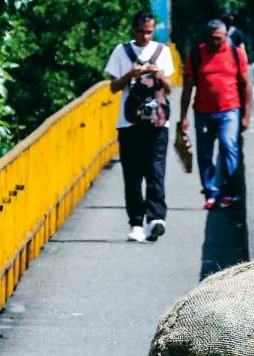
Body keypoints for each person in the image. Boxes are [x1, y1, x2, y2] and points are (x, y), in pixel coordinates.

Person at [104, 11, 174, 243]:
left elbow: (170, 87)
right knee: (132, 174)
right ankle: (136, 223)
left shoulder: (162, 51)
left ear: (154, 30)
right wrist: (130, 74)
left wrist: (158, 73)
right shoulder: (121, 51)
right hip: (129, 122)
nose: (145, 36)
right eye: (141, 31)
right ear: (133, 30)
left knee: (156, 171)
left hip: (158, 121)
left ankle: (155, 219)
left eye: (149, 31)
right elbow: (113, 87)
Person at [179, 19, 251, 209]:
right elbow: (187, 88)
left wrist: (246, 115)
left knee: (228, 146)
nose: (216, 42)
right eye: (213, 39)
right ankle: (210, 192)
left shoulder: (235, 53)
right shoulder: (196, 54)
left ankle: (228, 191)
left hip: (229, 110)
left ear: (226, 36)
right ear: (207, 37)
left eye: (220, 39)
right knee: (204, 153)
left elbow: (246, 86)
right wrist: (183, 116)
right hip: (203, 112)